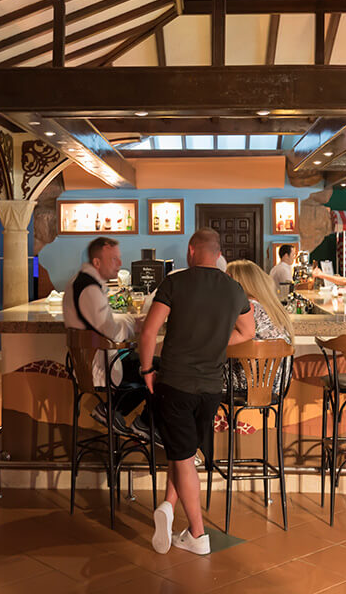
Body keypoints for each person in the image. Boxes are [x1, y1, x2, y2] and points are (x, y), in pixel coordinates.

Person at [139, 228, 255, 556]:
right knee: (184, 452)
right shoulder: (234, 288)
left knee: (183, 458)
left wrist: (146, 370)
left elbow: (148, 332)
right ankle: (167, 506)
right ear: (218, 255)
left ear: (191, 250)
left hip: (175, 382)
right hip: (211, 388)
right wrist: (214, 342)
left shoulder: (175, 282)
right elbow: (248, 331)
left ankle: (198, 534)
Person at [63, 237, 155, 441]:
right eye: (114, 259)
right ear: (97, 262)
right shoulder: (89, 289)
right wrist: (134, 325)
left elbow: (101, 323)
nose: (120, 263)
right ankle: (141, 422)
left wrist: (128, 320)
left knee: (147, 366)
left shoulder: (80, 282)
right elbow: (112, 333)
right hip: (101, 367)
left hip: (95, 362)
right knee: (157, 368)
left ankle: (112, 411)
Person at [226, 259, 294, 396]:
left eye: (226, 280)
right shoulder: (272, 308)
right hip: (276, 386)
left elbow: (220, 340)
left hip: (244, 387)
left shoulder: (246, 309)